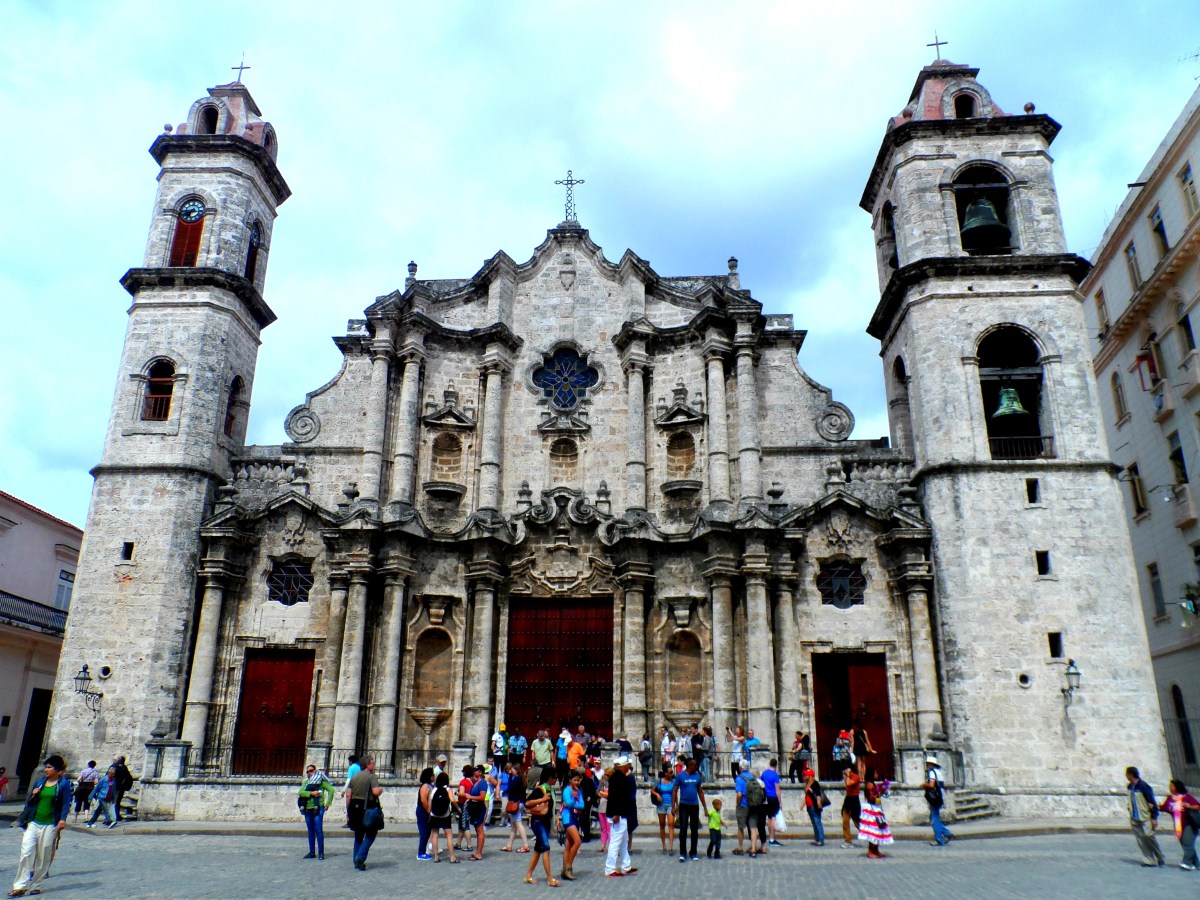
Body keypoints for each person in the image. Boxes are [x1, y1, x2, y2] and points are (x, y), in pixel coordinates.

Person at [10, 754, 72, 897]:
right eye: (46, 767)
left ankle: (36, 884)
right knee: (26, 852)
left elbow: (65, 803)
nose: (46, 769)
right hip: (33, 822)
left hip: (50, 824)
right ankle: (20, 886)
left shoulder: (63, 784)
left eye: (49, 767)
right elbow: (30, 803)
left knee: (43, 855)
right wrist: (33, 794)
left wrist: (62, 819)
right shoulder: (39, 782)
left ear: (57, 770)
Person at [523, 768, 561, 886]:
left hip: (546, 822)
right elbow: (527, 803)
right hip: (538, 821)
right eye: (555, 778)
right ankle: (550, 878)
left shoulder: (551, 790)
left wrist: (556, 818)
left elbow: (551, 807)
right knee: (546, 847)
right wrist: (542, 799)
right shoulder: (540, 789)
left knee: (538, 849)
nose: (556, 780)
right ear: (550, 778)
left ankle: (528, 875)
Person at [603, 756, 637, 877]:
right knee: (615, 841)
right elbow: (617, 797)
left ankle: (626, 865)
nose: (628, 766)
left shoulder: (617, 777)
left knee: (623, 841)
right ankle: (610, 868)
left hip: (622, 813)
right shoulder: (619, 779)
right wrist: (616, 813)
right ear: (623, 766)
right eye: (627, 764)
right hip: (619, 814)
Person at [347, 755, 383, 871]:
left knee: (358, 835)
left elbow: (348, 795)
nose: (374, 765)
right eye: (373, 763)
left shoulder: (354, 776)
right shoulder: (372, 776)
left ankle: (355, 860)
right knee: (371, 834)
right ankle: (360, 857)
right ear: (368, 765)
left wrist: (348, 810)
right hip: (368, 808)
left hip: (354, 807)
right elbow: (375, 792)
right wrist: (381, 790)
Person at [1126, 766, 1165, 867]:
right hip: (1134, 817)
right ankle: (1149, 860)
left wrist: (1154, 817)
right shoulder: (1130, 787)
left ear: (1131, 775)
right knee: (1141, 840)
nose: (1126, 776)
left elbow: (1152, 802)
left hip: (1145, 816)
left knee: (1149, 837)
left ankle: (1159, 856)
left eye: (1127, 774)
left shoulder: (1144, 786)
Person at [672, 756, 707, 861]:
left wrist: (705, 807)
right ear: (689, 765)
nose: (696, 767)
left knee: (694, 830)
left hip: (694, 805)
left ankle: (693, 852)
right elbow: (675, 791)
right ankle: (683, 852)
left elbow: (700, 792)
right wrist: (674, 806)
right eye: (694, 765)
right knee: (683, 829)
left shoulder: (697, 776)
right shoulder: (680, 776)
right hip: (684, 805)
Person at [299, 763, 334, 860]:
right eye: (307, 771)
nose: (309, 773)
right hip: (308, 808)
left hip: (318, 808)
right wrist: (311, 793)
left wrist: (328, 803)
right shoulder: (306, 782)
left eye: (311, 771)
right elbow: (301, 792)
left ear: (315, 771)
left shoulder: (321, 783)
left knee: (318, 830)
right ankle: (312, 852)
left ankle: (321, 853)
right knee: (310, 830)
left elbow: (331, 790)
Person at [1162, 779, 1200, 870]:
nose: (1170, 788)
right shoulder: (1170, 799)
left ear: (1177, 787)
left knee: (1187, 843)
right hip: (1178, 826)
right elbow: (1164, 807)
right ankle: (1196, 863)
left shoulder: (1186, 797)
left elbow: (1198, 806)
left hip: (1189, 824)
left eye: (1172, 786)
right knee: (1186, 845)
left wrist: (1189, 806)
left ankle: (1186, 863)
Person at [428, 771, 461, 863]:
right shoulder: (448, 789)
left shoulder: (434, 790)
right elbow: (452, 800)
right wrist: (458, 808)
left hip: (434, 815)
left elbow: (430, 804)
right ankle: (452, 857)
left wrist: (429, 813)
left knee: (435, 835)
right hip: (445, 814)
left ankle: (436, 857)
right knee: (449, 835)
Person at [922, 755, 953, 847]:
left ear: (931, 764)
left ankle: (939, 839)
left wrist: (924, 785)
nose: (927, 765)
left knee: (934, 819)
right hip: (940, 796)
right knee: (933, 817)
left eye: (928, 764)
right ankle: (946, 833)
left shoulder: (932, 772)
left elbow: (931, 785)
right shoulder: (938, 772)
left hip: (935, 798)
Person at [560, 770, 585, 880]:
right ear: (570, 780)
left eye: (578, 780)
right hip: (568, 818)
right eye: (574, 780)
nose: (576, 782)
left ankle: (564, 868)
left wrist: (573, 803)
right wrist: (574, 800)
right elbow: (569, 803)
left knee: (569, 844)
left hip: (575, 817)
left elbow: (582, 805)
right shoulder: (567, 790)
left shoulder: (578, 791)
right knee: (577, 841)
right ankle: (569, 866)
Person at [858, 780, 893, 859]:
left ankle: (876, 850)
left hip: (877, 808)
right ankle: (870, 851)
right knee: (873, 831)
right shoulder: (869, 784)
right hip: (871, 810)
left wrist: (883, 791)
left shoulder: (874, 785)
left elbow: (879, 797)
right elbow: (872, 798)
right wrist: (878, 792)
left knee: (879, 831)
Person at [501, 762, 530, 853]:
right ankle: (509, 845)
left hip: (516, 803)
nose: (511, 771)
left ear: (517, 770)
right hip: (520, 802)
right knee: (514, 825)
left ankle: (526, 845)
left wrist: (509, 776)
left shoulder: (517, 779)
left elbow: (510, 786)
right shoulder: (521, 778)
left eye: (513, 769)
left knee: (518, 823)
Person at [744, 764, 768, 857]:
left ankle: (753, 846)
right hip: (763, 806)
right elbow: (765, 796)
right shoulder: (762, 783)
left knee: (752, 826)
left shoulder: (750, 783)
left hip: (753, 807)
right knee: (761, 827)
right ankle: (763, 846)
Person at [651, 764, 675, 853]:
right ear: (665, 773)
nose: (672, 774)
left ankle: (671, 846)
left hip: (670, 804)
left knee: (671, 824)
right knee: (662, 825)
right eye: (670, 772)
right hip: (661, 805)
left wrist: (676, 805)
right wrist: (657, 794)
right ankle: (664, 845)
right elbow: (652, 790)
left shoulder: (673, 782)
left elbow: (675, 794)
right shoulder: (659, 781)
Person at [455, 764, 475, 853]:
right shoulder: (472, 781)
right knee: (461, 825)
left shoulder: (463, 782)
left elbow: (462, 793)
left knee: (465, 825)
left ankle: (469, 845)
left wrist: (457, 793)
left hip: (463, 805)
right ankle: (458, 843)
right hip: (469, 804)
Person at [415, 766, 434, 860]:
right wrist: (428, 810)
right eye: (433, 775)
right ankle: (421, 853)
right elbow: (423, 799)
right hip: (423, 810)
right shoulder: (425, 786)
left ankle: (423, 850)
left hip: (426, 811)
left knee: (427, 831)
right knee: (424, 831)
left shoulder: (430, 785)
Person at [763, 757, 783, 846]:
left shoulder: (764, 773)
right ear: (776, 765)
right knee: (773, 818)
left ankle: (770, 837)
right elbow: (777, 789)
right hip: (773, 797)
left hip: (766, 797)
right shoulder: (775, 775)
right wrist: (780, 802)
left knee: (769, 817)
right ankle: (772, 838)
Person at [840, 765, 862, 848]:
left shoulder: (856, 777)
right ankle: (847, 841)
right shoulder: (847, 776)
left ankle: (869, 835)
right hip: (848, 799)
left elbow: (849, 783)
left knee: (857, 822)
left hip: (854, 800)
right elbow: (846, 784)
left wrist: (848, 775)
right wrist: (845, 775)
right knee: (845, 821)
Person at [804, 768, 826, 846]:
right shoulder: (808, 784)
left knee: (817, 822)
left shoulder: (815, 784)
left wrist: (818, 803)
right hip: (810, 806)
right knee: (814, 823)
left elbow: (818, 794)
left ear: (810, 776)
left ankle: (820, 839)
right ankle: (817, 838)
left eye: (806, 775)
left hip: (814, 806)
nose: (804, 777)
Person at [732, 762, 749, 855]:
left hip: (743, 805)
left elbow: (739, 794)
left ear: (740, 768)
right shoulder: (752, 777)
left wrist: (737, 804)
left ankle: (740, 847)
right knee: (753, 827)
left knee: (741, 827)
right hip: (753, 804)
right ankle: (753, 847)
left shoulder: (739, 778)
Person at [111, 755, 134, 822]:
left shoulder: (113, 767)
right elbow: (129, 778)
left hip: (114, 787)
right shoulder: (124, 767)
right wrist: (126, 787)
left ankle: (113, 816)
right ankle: (117, 816)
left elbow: (108, 777)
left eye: (114, 759)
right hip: (121, 788)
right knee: (117, 802)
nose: (113, 761)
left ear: (116, 760)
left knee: (112, 802)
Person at [596, 764, 612, 853]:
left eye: (607, 775)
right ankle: (603, 844)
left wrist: (604, 794)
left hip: (608, 807)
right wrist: (602, 794)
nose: (605, 776)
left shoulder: (612, 783)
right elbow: (598, 792)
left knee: (609, 827)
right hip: (601, 806)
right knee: (603, 827)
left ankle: (610, 844)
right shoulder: (602, 782)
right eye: (605, 774)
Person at [342, 753, 361, 825]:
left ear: (351, 761)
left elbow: (348, 779)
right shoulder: (359, 767)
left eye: (349, 761)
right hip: (358, 788)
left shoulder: (351, 768)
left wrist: (344, 790)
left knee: (348, 805)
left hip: (351, 788)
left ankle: (349, 821)